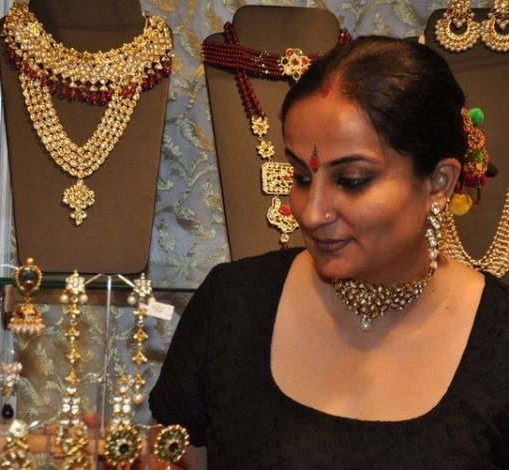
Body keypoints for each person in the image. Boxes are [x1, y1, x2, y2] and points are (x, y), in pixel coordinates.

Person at [149, 36, 509, 468]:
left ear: (439, 182)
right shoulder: (234, 303)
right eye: (301, 177)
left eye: (352, 180)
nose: (311, 212)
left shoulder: (499, 339)